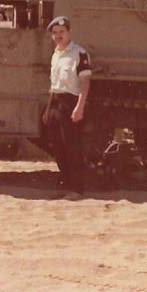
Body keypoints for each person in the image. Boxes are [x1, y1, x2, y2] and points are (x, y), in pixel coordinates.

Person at [41, 15, 91, 195]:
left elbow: (85, 82)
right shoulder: (56, 54)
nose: (58, 36)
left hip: (70, 102)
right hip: (54, 101)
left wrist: (80, 106)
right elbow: (54, 83)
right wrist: (48, 109)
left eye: (61, 32)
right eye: (55, 33)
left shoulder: (79, 53)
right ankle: (66, 183)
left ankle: (77, 189)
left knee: (72, 146)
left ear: (69, 32)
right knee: (57, 147)